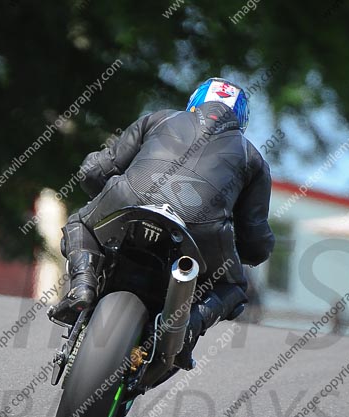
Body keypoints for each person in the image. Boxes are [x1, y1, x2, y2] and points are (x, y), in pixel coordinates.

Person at [48, 77, 275, 369]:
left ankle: (82, 285)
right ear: (241, 120)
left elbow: (93, 171)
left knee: (81, 223)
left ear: (194, 103)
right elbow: (255, 240)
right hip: (200, 229)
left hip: (129, 199)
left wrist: (105, 198)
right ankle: (186, 329)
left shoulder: (159, 118)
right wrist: (244, 248)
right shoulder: (252, 157)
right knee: (232, 286)